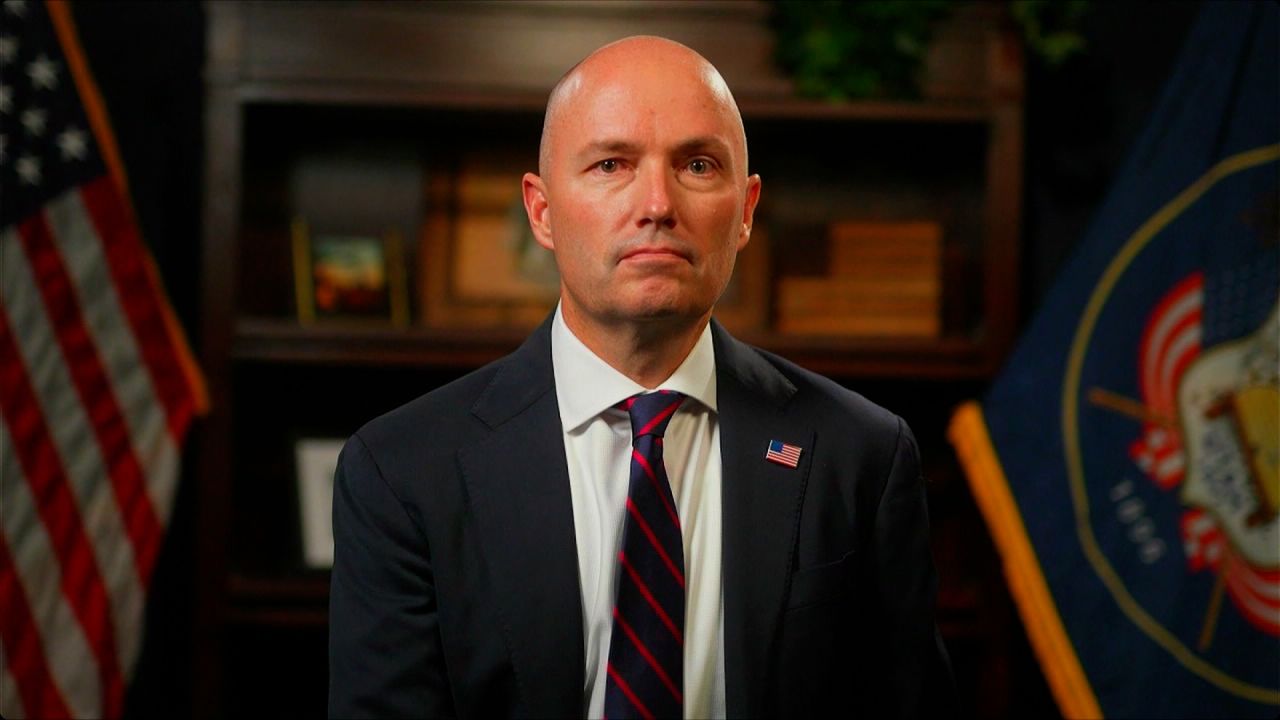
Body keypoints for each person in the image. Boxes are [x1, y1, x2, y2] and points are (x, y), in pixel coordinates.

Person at [329, 36, 954, 719]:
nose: (657, 204)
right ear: (541, 211)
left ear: (746, 210)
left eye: (697, 165)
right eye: (611, 164)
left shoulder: (861, 454)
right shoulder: (401, 471)